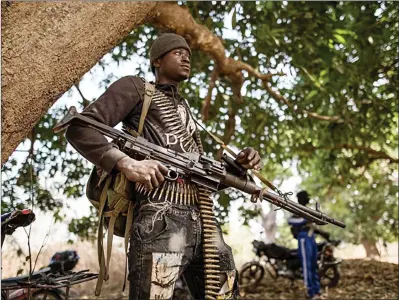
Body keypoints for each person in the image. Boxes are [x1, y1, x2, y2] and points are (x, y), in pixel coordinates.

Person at [65, 33, 261, 300]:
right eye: (177, 53)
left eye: (189, 55)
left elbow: (202, 179)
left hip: (204, 220)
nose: (186, 58)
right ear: (157, 60)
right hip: (161, 218)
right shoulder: (135, 88)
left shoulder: (186, 112)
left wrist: (239, 168)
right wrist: (126, 164)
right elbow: (80, 128)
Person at [288, 190, 324, 300]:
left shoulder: (309, 210)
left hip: (311, 237)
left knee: (314, 265)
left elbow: (314, 225)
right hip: (303, 238)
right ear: (301, 199)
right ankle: (310, 292)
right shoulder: (296, 209)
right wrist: (306, 218)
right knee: (306, 265)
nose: (308, 199)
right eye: (306, 197)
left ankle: (317, 291)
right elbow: (291, 221)